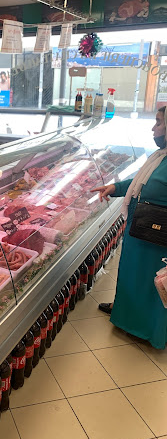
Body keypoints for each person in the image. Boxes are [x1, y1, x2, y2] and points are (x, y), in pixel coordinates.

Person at [92, 106, 167, 349]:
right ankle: (125, 315)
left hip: (158, 238)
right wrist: (114, 188)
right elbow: (140, 184)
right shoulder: (160, 156)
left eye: (158, 123)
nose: (153, 128)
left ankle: (147, 329)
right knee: (132, 276)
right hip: (140, 231)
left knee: (154, 283)